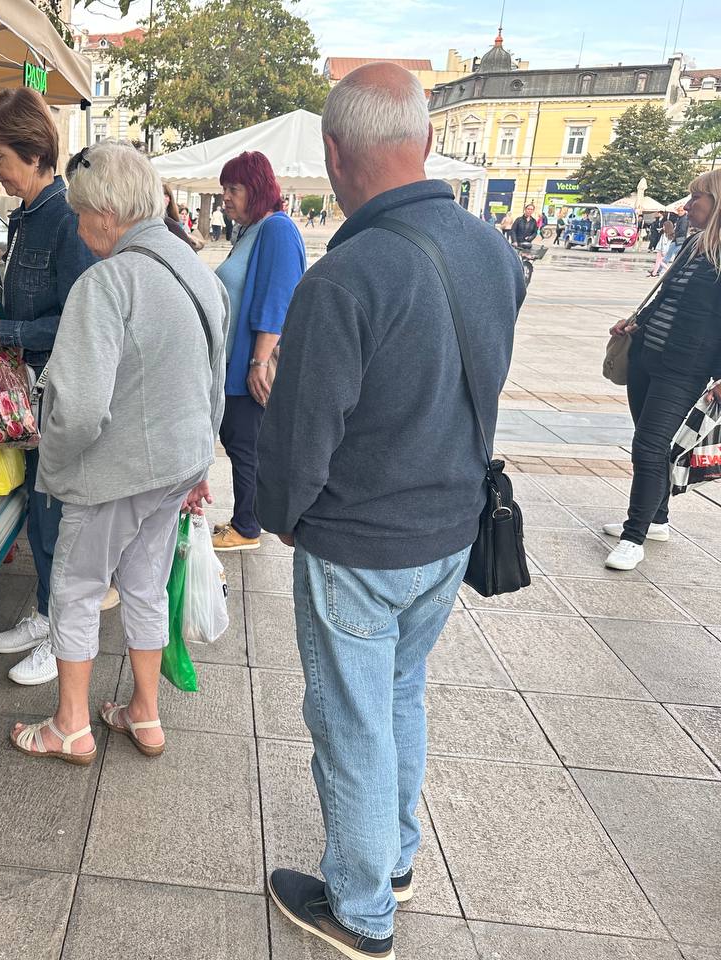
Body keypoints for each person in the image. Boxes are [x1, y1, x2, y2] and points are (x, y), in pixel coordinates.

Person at [257, 63, 522, 959]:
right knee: (400, 692)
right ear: (429, 139)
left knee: (351, 722)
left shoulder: (345, 278)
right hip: (450, 529)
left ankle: (362, 910)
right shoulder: (493, 251)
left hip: (361, 544)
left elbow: (302, 433)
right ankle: (396, 858)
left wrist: (282, 514)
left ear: (335, 154)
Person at [8, 142, 226, 764]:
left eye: (80, 215)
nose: (79, 228)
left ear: (107, 213)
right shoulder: (199, 274)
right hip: (177, 466)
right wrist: (200, 466)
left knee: (75, 588)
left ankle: (70, 726)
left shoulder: (106, 283)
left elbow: (79, 410)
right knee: (145, 585)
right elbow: (214, 380)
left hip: (113, 472)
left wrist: (53, 469)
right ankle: (144, 713)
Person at [0, 88, 97, 686]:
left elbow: (82, 319)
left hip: (60, 389)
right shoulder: (27, 216)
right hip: (30, 391)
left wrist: (5, 328)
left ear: (33, 152)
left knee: (56, 515)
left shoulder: (68, 218)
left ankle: (64, 632)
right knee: (40, 509)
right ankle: (47, 610)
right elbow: (24, 303)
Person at [604, 171, 721, 571]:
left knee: (649, 446)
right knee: (651, 441)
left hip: (684, 368)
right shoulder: (693, 244)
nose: (688, 206)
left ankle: (633, 537)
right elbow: (666, 297)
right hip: (646, 356)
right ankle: (657, 519)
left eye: (697, 197)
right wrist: (635, 323)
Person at [210, 151, 306, 551]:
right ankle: (245, 519)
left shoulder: (277, 229)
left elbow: (279, 299)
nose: (226, 197)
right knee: (239, 442)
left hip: (252, 363)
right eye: (224, 189)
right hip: (238, 361)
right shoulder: (250, 230)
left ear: (257, 188)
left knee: (246, 445)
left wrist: (258, 362)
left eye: (234, 188)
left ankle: (248, 527)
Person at [163, 183, 202, 250]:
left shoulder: (173, 219)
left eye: (166, 195)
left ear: (170, 199)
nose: (163, 198)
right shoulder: (155, 218)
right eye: (182, 214)